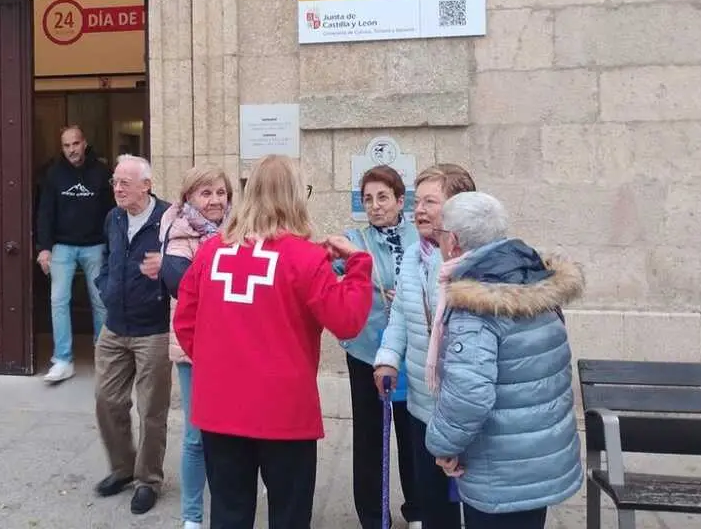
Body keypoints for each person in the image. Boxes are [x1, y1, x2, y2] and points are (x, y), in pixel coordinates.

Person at [173, 154, 374, 529]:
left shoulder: (212, 252)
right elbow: (348, 322)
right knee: (289, 515)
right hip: (284, 412)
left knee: (229, 514)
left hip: (220, 408)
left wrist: (220, 366)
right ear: (296, 196)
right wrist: (359, 266)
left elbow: (185, 322)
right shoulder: (307, 258)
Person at [426, 192, 584, 529]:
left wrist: (442, 445)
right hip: (537, 458)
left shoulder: (477, 303)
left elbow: (469, 396)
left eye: (440, 235)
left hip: (499, 469)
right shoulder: (531, 276)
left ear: (453, 241)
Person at [373, 163, 476, 529]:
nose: (419, 210)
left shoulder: (473, 265)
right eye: (418, 202)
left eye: (430, 202)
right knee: (435, 507)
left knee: (470, 504)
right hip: (422, 407)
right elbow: (399, 316)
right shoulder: (415, 258)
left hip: (466, 415)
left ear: (458, 208)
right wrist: (387, 359)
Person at [333, 166, 420, 529]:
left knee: (414, 431)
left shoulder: (421, 237)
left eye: (383, 197)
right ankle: (372, 515)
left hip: (413, 351)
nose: (375, 206)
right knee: (369, 436)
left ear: (401, 201)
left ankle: (418, 509)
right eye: (368, 199)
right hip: (368, 351)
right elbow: (331, 277)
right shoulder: (354, 239)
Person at [93, 155, 171, 516]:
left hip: (152, 329)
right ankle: (123, 468)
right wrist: (105, 286)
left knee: (151, 409)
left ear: (147, 185)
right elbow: (108, 256)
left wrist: (165, 276)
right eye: (115, 182)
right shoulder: (114, 217)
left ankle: (148, 480)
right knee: (107, 400)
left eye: (125, 182)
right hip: (115, 325)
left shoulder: (168, 218)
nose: (118, 188)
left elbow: (188, 260)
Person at [159, 166, 234, 529]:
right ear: (188, 197)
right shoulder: (180, 236)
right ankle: (192, 516)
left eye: (221, 192)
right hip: (194, 350)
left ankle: (231, 501)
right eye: (206, 193)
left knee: (237, 431)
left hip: (236, 349)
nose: (216, 200)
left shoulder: (241, 231)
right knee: (195, 435)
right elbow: (179, 283)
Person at [36, 125, 114, 383]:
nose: (72, 150)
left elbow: (112, 211)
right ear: (62, 148)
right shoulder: (53, 174)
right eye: (67, 145)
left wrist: (111, 246)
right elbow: (45, 212)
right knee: (58, 301)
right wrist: (44, 248)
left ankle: (103, 356)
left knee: (100, 301)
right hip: (62, 246)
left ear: (85, 143)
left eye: (76, 144)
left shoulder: (102, 173)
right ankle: (62, 359)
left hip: (95, 245)